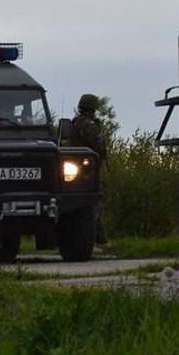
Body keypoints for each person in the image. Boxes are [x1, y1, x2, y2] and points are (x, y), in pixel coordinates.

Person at [70, 93, 109, 246]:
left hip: (80, 170)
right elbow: (98, 145)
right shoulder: (88, 125)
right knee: (93, 205)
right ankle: (99, 240)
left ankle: (99, 240)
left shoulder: (77, 122)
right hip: (88, 171)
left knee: (91, 206)